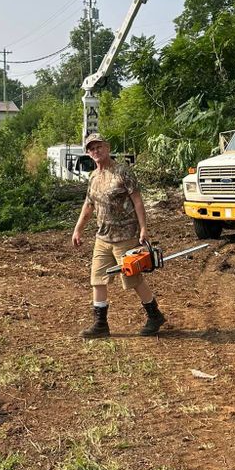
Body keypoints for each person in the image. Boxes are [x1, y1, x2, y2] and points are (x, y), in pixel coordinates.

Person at [71, 133, 166, 339]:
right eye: (92, 149)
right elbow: (89, 205)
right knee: (97, 279)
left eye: (99, 147)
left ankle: (154, 315)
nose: (96, 151)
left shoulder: (123, 172)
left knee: (133, 279)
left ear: (107, 147)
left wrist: (143, 229)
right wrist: (78, 228)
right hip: (102, 237)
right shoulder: (93, 177)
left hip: (126, 236)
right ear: (88, 153)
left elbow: (138, 201)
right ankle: (100, 324)